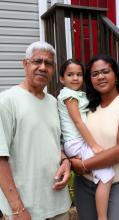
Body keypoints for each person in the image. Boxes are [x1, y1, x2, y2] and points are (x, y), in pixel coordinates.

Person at [0, 41, 71, 220]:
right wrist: (17, 208)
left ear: (53, 69)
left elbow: (54, 142)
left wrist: (65, 161)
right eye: (37, 61)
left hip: (58, 204)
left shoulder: (54, 102)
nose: (42, 67)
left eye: (48, 63)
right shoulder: (7, 101)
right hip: (26, 208)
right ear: (25, 64)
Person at [70, 55, 119, 220]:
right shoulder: (86, 106)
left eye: (105, 72)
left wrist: (82, 164)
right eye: (95, 74)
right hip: (86, 183)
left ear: (116, 75)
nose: (100, 77)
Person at [57, 59, 115, 220]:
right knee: (108, 175)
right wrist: (94, 145)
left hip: (78, 142)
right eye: (70, 75)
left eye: (79, 74)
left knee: (98, 172)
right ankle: (102, 217)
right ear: (62, 79)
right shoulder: (68, 95)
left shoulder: (77, 94)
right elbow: (78, 121)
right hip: (77, 142)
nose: (75, 78)